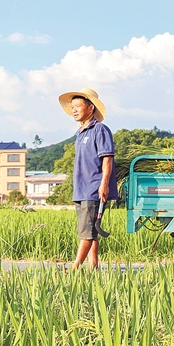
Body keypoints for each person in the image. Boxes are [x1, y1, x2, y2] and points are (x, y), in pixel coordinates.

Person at [58, 88, 118, 270]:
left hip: (94, 188)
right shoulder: (80, 133)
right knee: (91, 230)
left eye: (78, 106)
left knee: (87, 232)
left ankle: (75, 268)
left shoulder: (100, 130)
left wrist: (104, 185)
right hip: (81, 189)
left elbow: (107, 159)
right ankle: (93, 267)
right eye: (72, 107)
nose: (74, 110)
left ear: (91, 108)